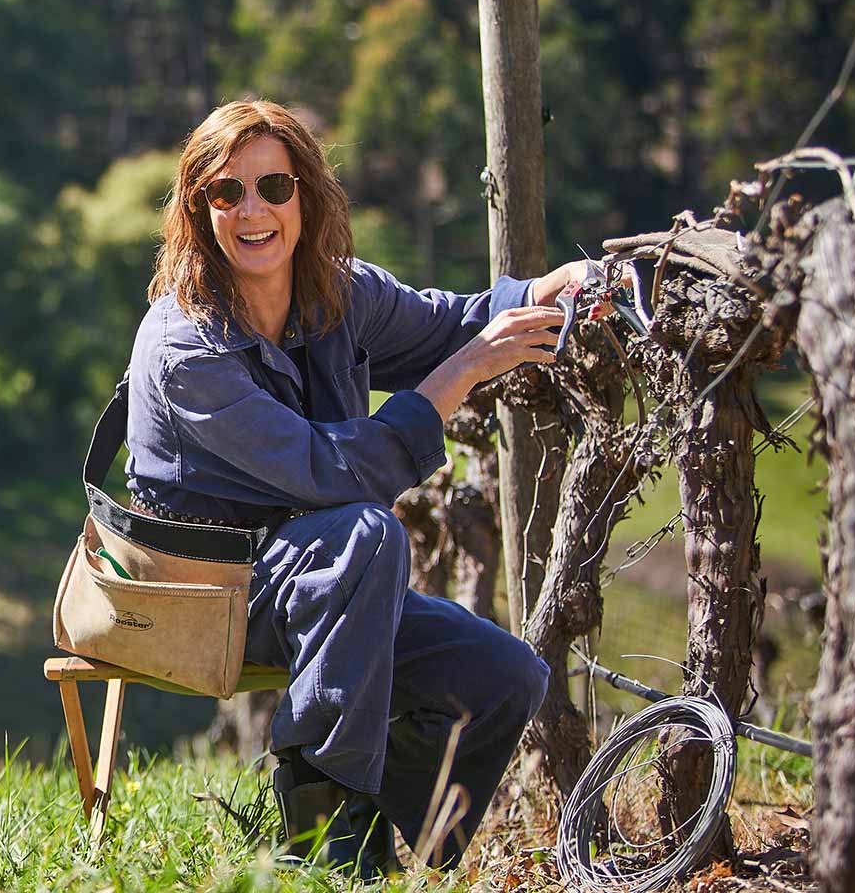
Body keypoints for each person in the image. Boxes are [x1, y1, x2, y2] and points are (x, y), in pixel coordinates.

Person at [122, 99, 587, 875]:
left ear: (306, 193)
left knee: (507, 678)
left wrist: (540, 293)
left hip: (335, 582)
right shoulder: (183, 347)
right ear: (198, 210)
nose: (252, 210)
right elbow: (330, 472)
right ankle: (324, 837)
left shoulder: (338, 293)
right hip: (207, 591)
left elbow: (449, 322)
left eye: (273, 186)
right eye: (225, 193)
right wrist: (465, 373)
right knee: (366, 532)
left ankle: (366, 820)